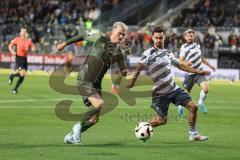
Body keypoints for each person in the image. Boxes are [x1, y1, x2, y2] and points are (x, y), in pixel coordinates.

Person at [125, 27, 210, 141]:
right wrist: (132, 82)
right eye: (157, 38)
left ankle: (193, 134)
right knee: (162, 120)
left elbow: (181, 66)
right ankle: (143, 126)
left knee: (193, 107)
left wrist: (198, 71)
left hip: (173, 89)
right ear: (153, 38)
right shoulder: (149, 53)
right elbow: (139, 68)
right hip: (160, 92)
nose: (159, 40)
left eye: (161, 37)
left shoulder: (168, 53)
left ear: (164, 37)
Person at [56, 22, 128, 144]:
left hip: (96, 85)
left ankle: (71, 136)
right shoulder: (100, 38)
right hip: (85, 79)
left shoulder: (119, 53)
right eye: (120, 33)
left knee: (94, 119)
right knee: (99, 104)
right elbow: (83, 36)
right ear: (113, 30)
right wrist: (64, 44)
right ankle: (77, 126)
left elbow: (122, 70)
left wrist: (121, 76)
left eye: (124, 35)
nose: (121, 37)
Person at [177, 29, 215, 117]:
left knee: (206, 89)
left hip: (199, 72)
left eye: (191, 35)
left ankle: (200, 103)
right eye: (188, 36)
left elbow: (200, 58)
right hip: (190, 73)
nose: (190, 37)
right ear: (185, 37)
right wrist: (187, 63)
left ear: (194, 36)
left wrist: (210, 65)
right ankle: (180, 107)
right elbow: (180, 61)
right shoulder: (184, 47)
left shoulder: (197, 45)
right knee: (185, 94)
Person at [8, 27, 35, 94]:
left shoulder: (29, 41)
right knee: (22, 74)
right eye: (22, 31)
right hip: (19, 58)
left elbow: (33, 49)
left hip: (24, 59)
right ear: (20, 33)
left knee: (23, 76)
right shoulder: (17, 39)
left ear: (26, 33)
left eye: (25, 32)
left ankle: (15, 89)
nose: (23, 33)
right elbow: (10, 46)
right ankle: (12, 75)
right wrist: (12, 52)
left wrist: (32, 47)